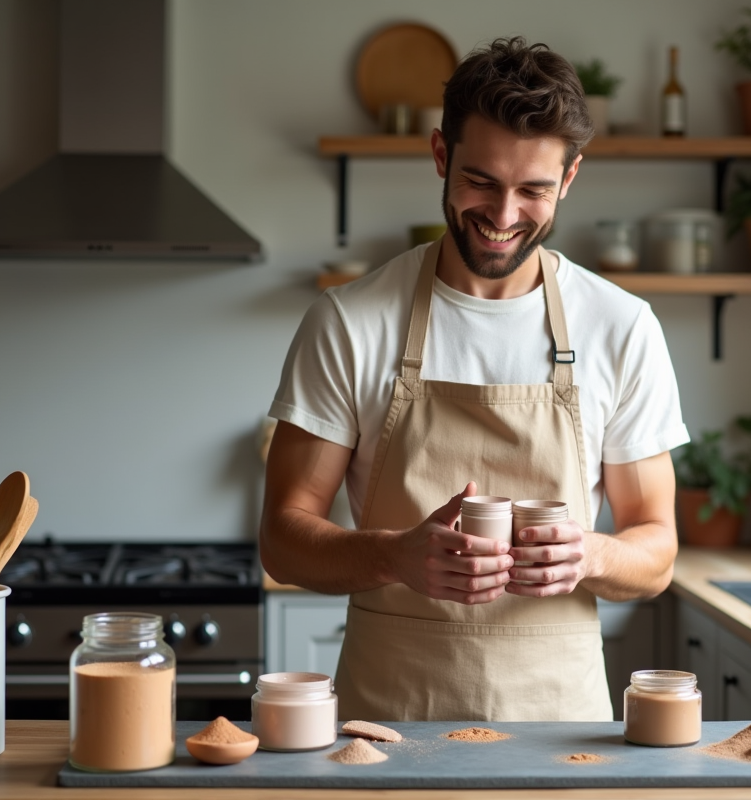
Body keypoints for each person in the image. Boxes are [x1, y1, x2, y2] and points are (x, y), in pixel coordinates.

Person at [261, 37, 687, 722]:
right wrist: (395, 557)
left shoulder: (621, 326)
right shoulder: (349, 321)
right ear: (441, 155)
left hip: (561, 732)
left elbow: (656, 550)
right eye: (482, 182)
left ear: (570, 178)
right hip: (388, 728)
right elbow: (283, 541)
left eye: (534, 190)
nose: (504, 215)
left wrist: (590, 555)